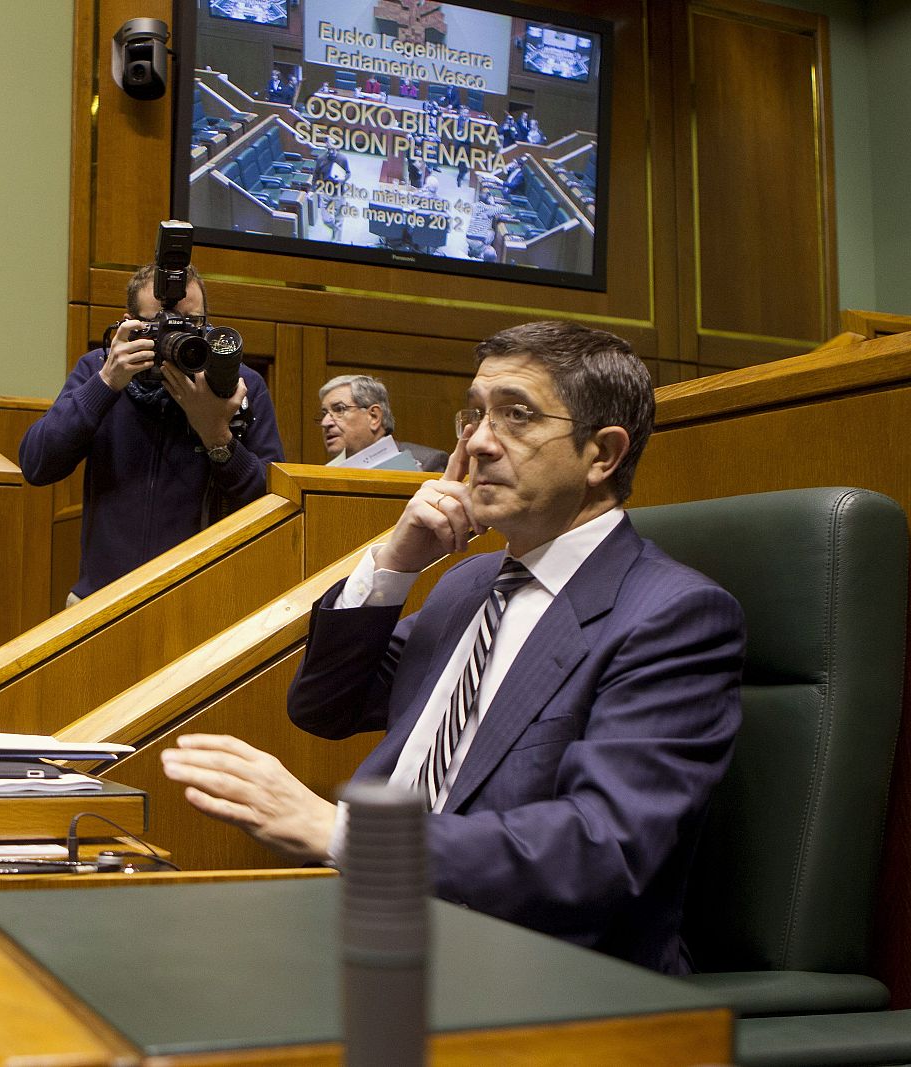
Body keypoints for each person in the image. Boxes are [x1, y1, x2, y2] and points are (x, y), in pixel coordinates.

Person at [163, 321, 745, 974]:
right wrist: (394, 561)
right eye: (476, 413)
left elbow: (601, 848)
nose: (477, 443)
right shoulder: (469, 582)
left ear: (601, 454)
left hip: (537, 970)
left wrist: (342, 834)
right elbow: (325, 706)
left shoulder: (673, 614)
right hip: (370, 922)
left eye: (516, 416)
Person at [19, 265, 283, 602]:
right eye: (160, 325)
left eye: (192, 324)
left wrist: (216, 434)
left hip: (199, 601)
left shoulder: (238, 385)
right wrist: (106, 385)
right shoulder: (97, 369)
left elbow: (272, 502)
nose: (178, 337)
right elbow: (37, 464)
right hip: (102, 599)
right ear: (129, 324)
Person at [317, 374, 446, 472]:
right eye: (324, 414)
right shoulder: (327, 471)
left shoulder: (427, 462)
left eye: (339, 409)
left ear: (374, 416)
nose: (325, 422)